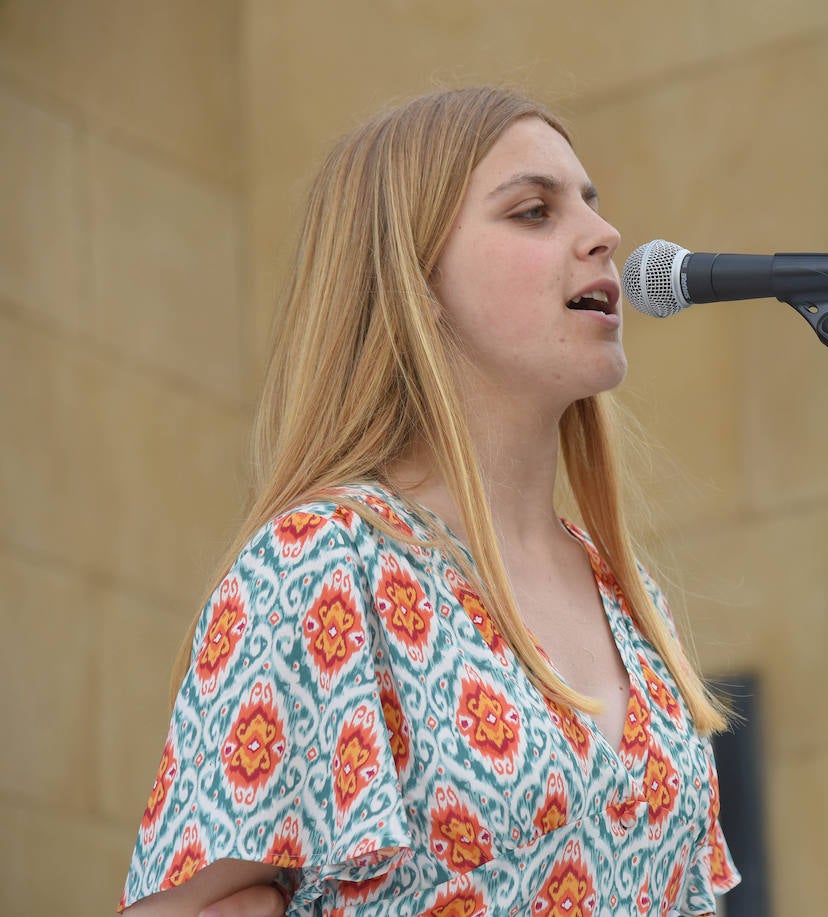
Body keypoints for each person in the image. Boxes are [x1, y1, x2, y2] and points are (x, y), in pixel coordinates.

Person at [119, 86, 739, 916]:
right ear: (413, 275)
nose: (604, 235)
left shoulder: (630, 597)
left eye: (591, 205)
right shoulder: (323, 563)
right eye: (533, 212)